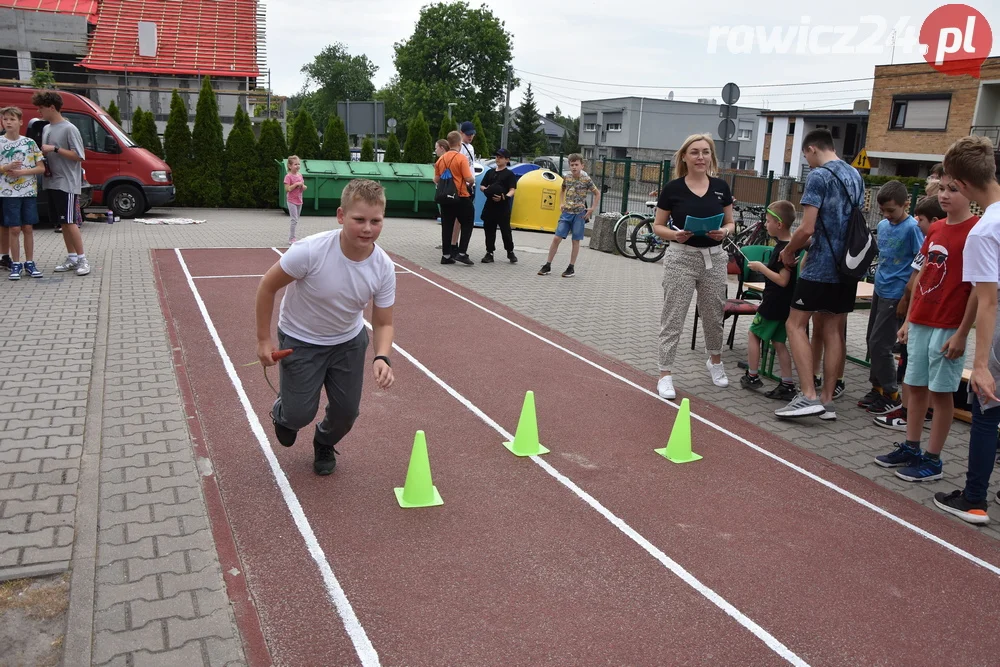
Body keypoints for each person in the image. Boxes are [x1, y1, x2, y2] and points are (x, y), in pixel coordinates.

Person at [255, 179, 396, 476]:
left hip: (347, 342)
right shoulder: (310, 251)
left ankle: (324, 440)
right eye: (359, 219)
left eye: (376, 221)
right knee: (298, 414)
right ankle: (284, 414)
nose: (368, 228)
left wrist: (382, 356)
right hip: (301, 339)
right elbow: (267, 287)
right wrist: (264, 340)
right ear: (341, 216)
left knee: (347, 413)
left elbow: (383, 321)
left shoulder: (383, 266)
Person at [873, 172, 978, 481]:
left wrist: (962, 332)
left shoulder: (976, 232)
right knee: (915, 387)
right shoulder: (936, 229)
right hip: (920, 322)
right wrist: (907, 320)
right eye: (942, 189)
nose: (944, 195)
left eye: (953, 189)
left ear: (969, 191)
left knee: (941, 392)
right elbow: (921, 278)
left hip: (948, 326)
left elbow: (976, 290)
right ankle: (912, 446)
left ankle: (932, 460)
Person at [933, 136, 1000, 524]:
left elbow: (988, 301)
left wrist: (980, 365)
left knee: (987, 412)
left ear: (959, 181)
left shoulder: (983, 232)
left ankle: (974, 500)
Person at [775, 129, 864, 419]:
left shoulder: (819, 176)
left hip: (820, 265)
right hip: (848, 267)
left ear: (812, 149)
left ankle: (807, 395)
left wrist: (788, 252)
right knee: (833, 329)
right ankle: (827, 399)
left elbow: (808, 227)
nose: (808, 163)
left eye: (806, 157)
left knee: (795, 325)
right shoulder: (855, 175)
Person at [650, 134, 736, 399]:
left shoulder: (721, 187)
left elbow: (731, 223)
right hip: (681, 258)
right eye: (695, 152)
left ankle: (716, 362)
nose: (701, 157)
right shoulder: (673, 188)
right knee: (673, 316)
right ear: (685, 157)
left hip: (714, 258)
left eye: (706, 152)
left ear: (711, 157)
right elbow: (658, 226)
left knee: (713, 314)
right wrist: (674, 235)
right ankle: (665, 374)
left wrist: (724, 231)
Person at [873, 195, 944, 431]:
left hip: (904, 298)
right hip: (885, 289)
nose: (916, 221)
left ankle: (897, 398)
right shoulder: (887, 226)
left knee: (900, 353)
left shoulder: (916, 232)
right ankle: (883, 391)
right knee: (877, 344)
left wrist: (905, 299)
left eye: (920, 219)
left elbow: (916, 273)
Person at [859, 181, 924, 416]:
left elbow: (922, 261)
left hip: (897, 293)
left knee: (881, 344)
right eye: (884, 211)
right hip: (880, 288)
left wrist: (908, 296)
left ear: (905, 204)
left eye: (892, 211)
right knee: (870, 340)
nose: (887, 215)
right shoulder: (885, 225)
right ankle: (877, 388)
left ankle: (892, 393)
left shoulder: (912, 228)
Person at [739, 200, 799, 401]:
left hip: (773, 303)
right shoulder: (791, 247)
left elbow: (783, 280)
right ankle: (787, 383)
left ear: (779, 224)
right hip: (785, 305)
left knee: (754, 334)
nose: (765, 224)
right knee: (779, 342)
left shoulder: (784, 251)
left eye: (768, 221)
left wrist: (762, 268)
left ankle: (752, 375)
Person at [33, 91, 88, 276]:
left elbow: (79, 156)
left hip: (67, 183)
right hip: (51, 182)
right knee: (62, 223)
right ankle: (72, 258)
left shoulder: (69, 128)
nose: (38, 111)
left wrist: (55, 149)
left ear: (51, 107)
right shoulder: (47, 128)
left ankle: (82, 259)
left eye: (41, 108)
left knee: (71, 222)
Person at [0, 106, 45, 280]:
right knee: (14, 228)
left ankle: (30, 262)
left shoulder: (29, 143)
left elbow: (41, 168)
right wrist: (6, 168)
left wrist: (21, 173)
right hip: (8, 193)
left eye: (12, 119)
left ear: (20, 122)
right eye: (5, 119)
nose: (8, 122)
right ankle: (16, 263)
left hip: (28, 192)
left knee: (27, 227)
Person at [539, 153, 600, 278]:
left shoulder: (586, 179)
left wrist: (592, 209)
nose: (574, 167)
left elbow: (597, 193)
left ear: (582, 165)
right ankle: (548, 264)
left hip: (579, 214)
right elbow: (562, 189)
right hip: (567, 212)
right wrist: (561, 203)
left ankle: (571, 267)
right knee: (557, 238)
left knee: (575, 240)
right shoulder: (567, 177)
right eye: (572, 165)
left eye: (576, 165)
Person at [434, 131, 475, 265]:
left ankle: (446, 256)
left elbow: (436, 179)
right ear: (459, 143)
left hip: (445, 197)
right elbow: (469, 178)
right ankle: (462, 253)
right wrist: (472, 180)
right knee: (468, 221)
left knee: (447, 225)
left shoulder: (441, 159)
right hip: (460, 195)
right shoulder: (461, 158)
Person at [480, 147, 517, 264]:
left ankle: (510, 251)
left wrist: (504, 197)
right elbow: (482, 185)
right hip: (490, 206)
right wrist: (486, 190)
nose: (497, 159)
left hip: (503, 207)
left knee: (505, 231)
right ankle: (489, 253)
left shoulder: (509, 174)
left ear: (507, 160)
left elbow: (512, 190)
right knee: (489, 230)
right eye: (496, 157)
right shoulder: (490, 172)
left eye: (500, 157)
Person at [283, 155, 306, 244]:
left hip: (299, 200)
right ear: (290, 166)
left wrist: (303, 186)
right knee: (294, 219)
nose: (298, 166)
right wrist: (296, 184)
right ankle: (291, 238)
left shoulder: (300, 175)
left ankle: (293, 237)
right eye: (295, 164)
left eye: (298, 164)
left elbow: (303, 187)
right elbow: (287, 189)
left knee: (296, 220)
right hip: (291, 200)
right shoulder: (288, 176)